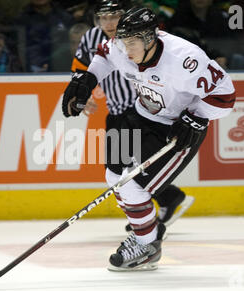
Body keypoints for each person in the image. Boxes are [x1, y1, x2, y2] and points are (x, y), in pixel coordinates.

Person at [62, 7, 235, 271]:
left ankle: (147, 245)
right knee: (113, 176)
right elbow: (104, 54)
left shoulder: (185, 59)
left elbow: (225, 97)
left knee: (133, 186)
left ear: (150, 38)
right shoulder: (122, 46)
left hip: (175, 128)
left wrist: (196, 116)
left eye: (131, 43)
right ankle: (148, 230)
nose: (126, 50)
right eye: (123, 41)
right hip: (138, 115)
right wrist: (87, 80)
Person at [71, 0, 194, 233]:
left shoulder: (139, 35)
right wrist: (82, 89)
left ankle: (156, 210)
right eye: (103, 17)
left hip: (140, 111)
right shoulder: (91, 38)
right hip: (116, 111)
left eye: (114, 16)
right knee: (120, 168)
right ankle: (167, 200)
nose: (108, 23)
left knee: (132, 169)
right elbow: (80, 67)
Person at [14, 0, 74, 72]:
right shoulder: (21, 20)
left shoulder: (65, 18)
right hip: (30, 73)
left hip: (62, 71)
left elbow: (72, 47)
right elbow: (18, 50)